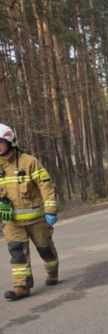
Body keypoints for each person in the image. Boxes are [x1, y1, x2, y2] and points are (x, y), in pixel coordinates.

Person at [0, 123, 59, 301]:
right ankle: (21, 286)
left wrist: (50, 209)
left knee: (45, 250)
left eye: (0, 142)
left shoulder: (29, 162)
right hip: (12, 222)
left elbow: (46, 186)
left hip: (37, 220)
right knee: (17, 253)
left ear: (10, 142)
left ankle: (52, 272)